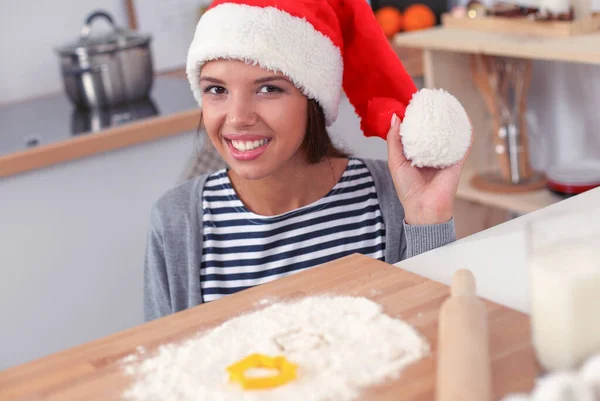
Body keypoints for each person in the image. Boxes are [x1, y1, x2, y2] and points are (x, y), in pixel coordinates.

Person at [143, 0, 471, 321]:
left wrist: (428, 220)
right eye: (216, 90)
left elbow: (438, 336)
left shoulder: (393, 196)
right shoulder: (175, 221)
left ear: (312, 99)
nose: (238, 117)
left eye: (269, 88)